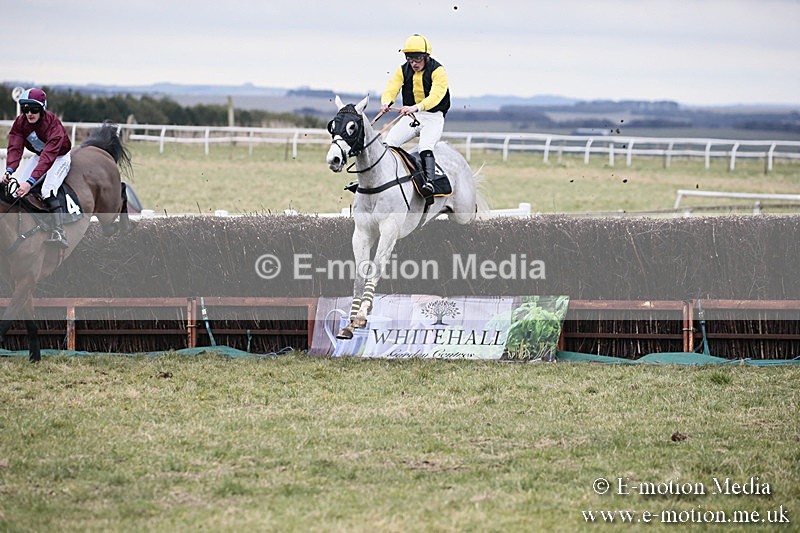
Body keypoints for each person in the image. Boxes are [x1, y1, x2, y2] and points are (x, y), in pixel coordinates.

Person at [380, 34, 451, 205]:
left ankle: (430, 183)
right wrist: (386, 102)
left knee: (425, 147)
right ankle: (384, 179)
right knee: (388, 144)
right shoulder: (402, 69)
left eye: (417, 59)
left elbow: (436, 96)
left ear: (426, 57)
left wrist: (416, 107)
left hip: (433, 116)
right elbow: (392, 87)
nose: (413, 63)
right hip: (412, 116)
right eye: (410, 59)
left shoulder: (438, 71)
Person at [2, 88, 72, 248]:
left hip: (59, 157)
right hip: (40, 155)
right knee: (16, 189)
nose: (29, 113)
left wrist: (30, 182)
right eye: (25, 109)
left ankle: (59, 232)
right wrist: (9, 170)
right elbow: (15, 148)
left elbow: (48, 158)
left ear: (42, 109)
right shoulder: (20, 123)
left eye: (34, 109)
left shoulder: (53, 126)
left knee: (47, 190)